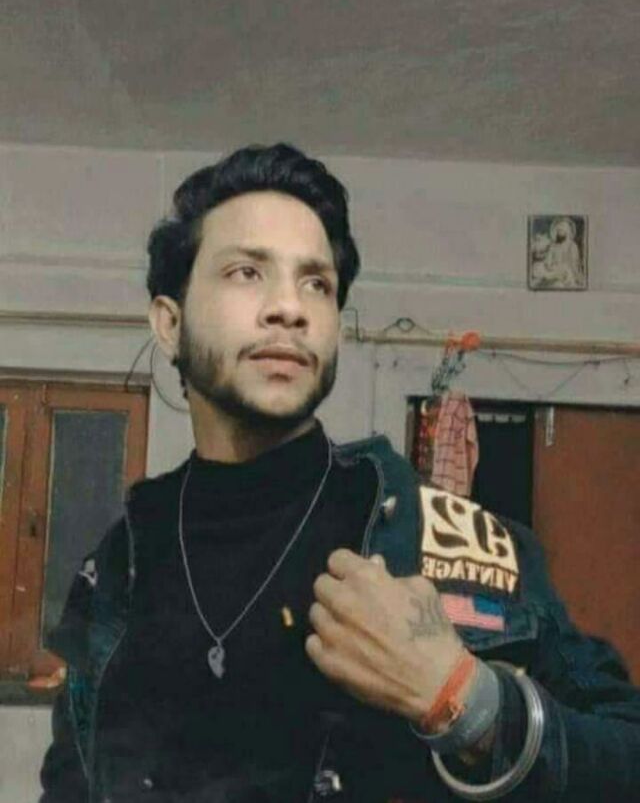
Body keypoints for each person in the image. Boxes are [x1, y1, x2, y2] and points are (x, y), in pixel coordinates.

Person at [40, 144, 639, 802]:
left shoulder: (447, 542)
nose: (289, 307)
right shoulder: (116, 569)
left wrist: (463, 698)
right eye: (246, 272)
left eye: (316, 284)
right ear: (170, 322)